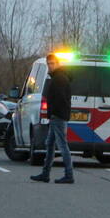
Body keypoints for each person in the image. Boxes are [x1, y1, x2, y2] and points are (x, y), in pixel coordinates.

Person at [31, 54, 75, 183]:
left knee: (62, 145)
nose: (50, 66)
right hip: (56, 116)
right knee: (49, 144)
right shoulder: (57, 78)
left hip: (58, 117)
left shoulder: (59, 79)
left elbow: (61, 99)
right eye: (48, 63)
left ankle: (69, 175)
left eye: (52, 63)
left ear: (58, 64)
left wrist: (54, 113)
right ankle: (45, 173)